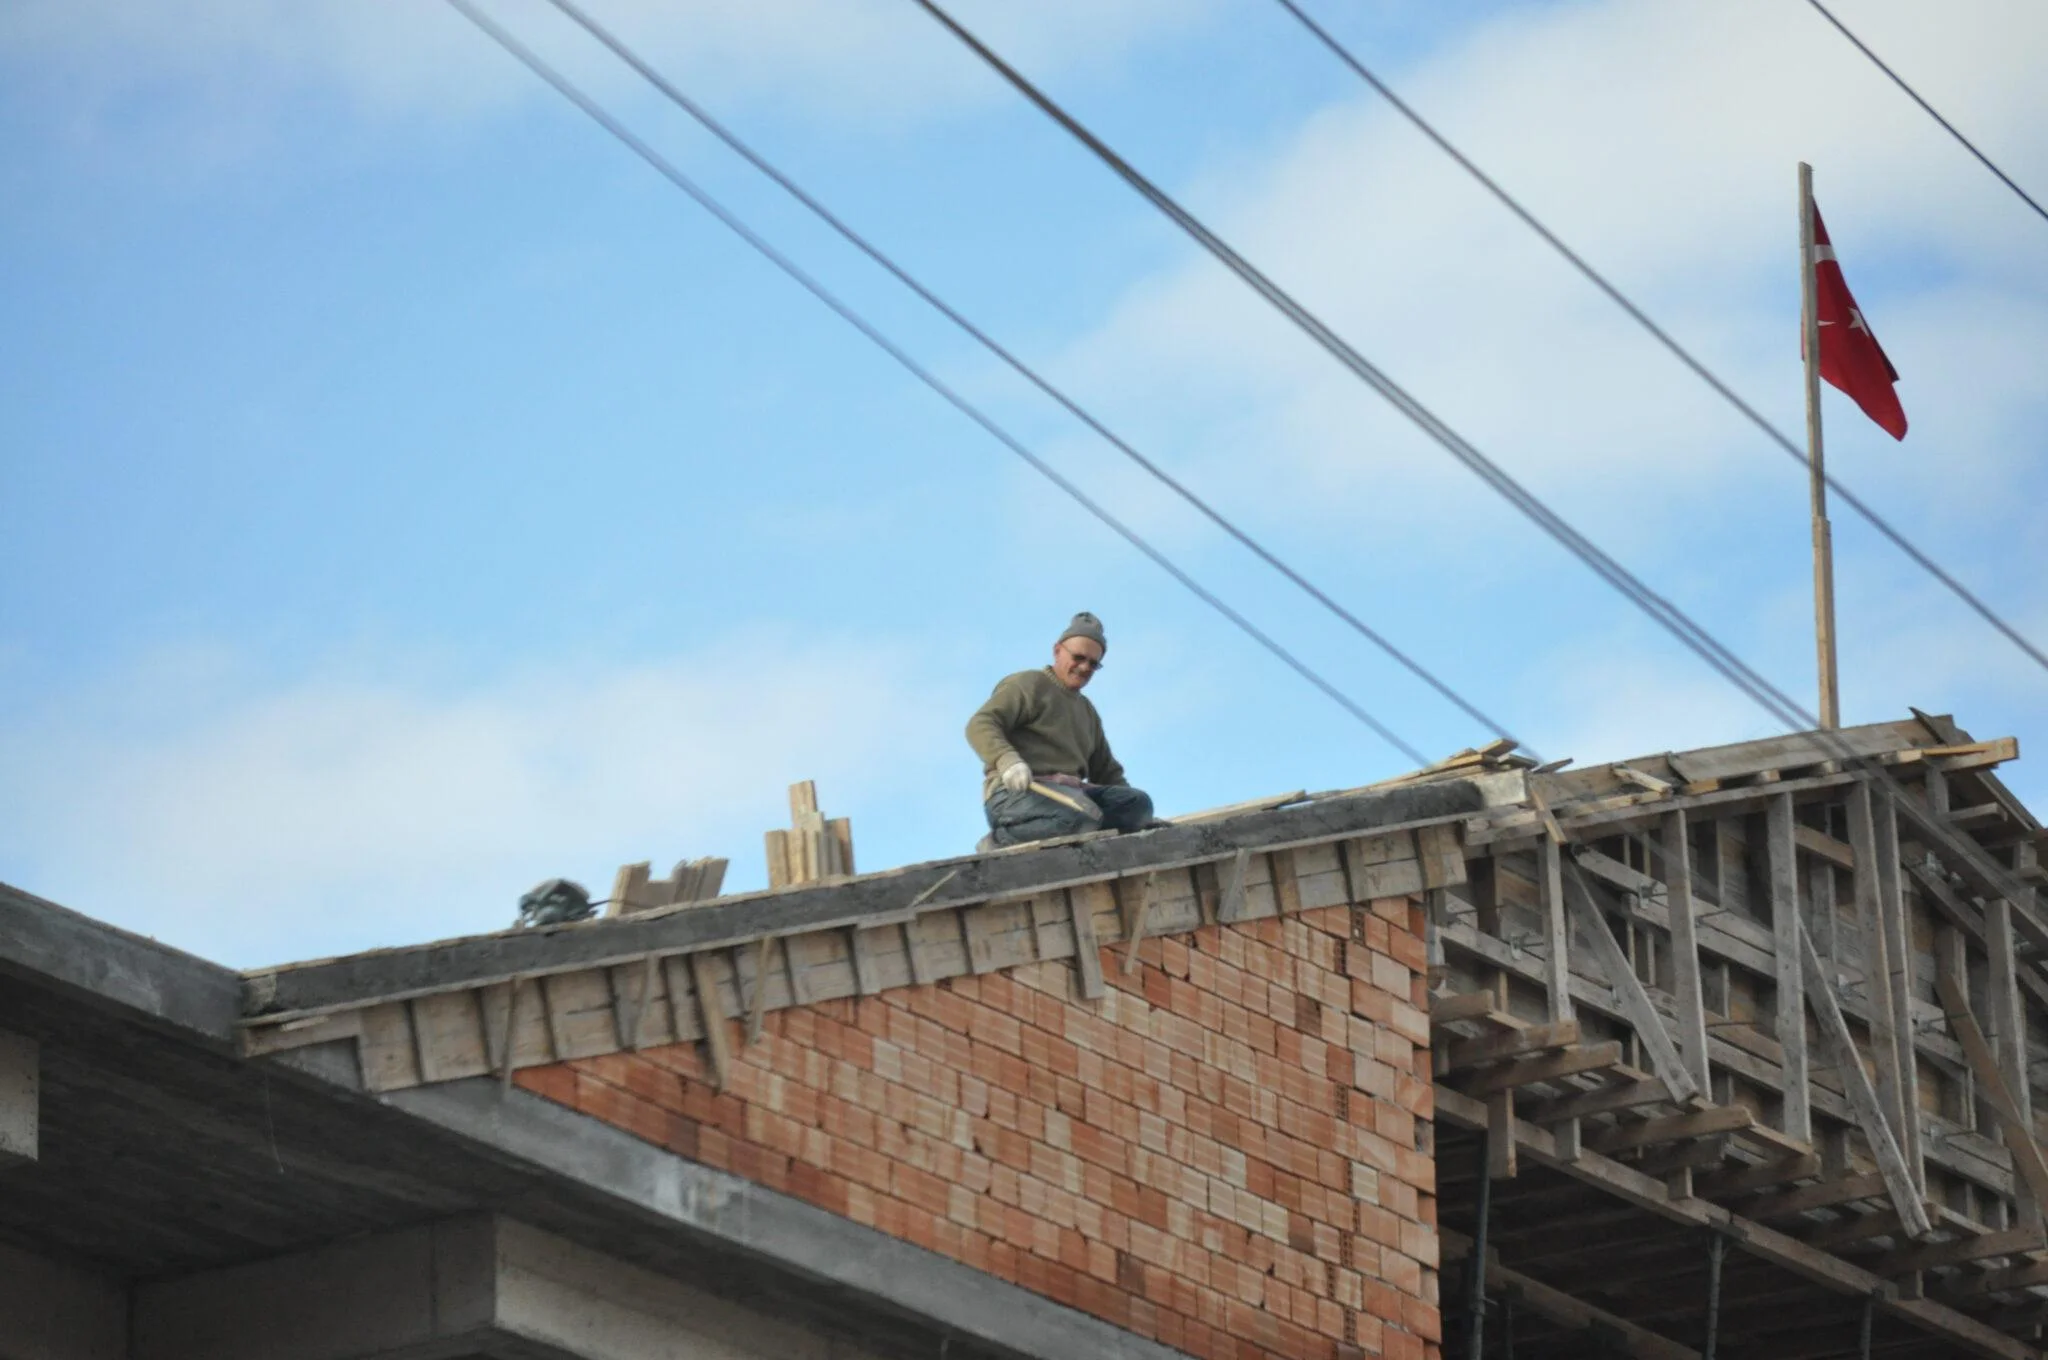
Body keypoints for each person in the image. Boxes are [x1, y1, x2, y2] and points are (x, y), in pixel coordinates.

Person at [966, 612, 1158, 848]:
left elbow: (1107, 772)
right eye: (1078, 657)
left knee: (1138, 804)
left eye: (1093, 663)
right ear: (1057, 651)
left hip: (1072, 798)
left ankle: (1087, 829)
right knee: (1077, 821)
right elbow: (981, 723)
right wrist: (1007, 760)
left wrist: (1139, 820)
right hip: (1018, 796)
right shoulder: (1029, 685)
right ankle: (1001, 841)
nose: (1084, 667)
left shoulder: (1087, 712)